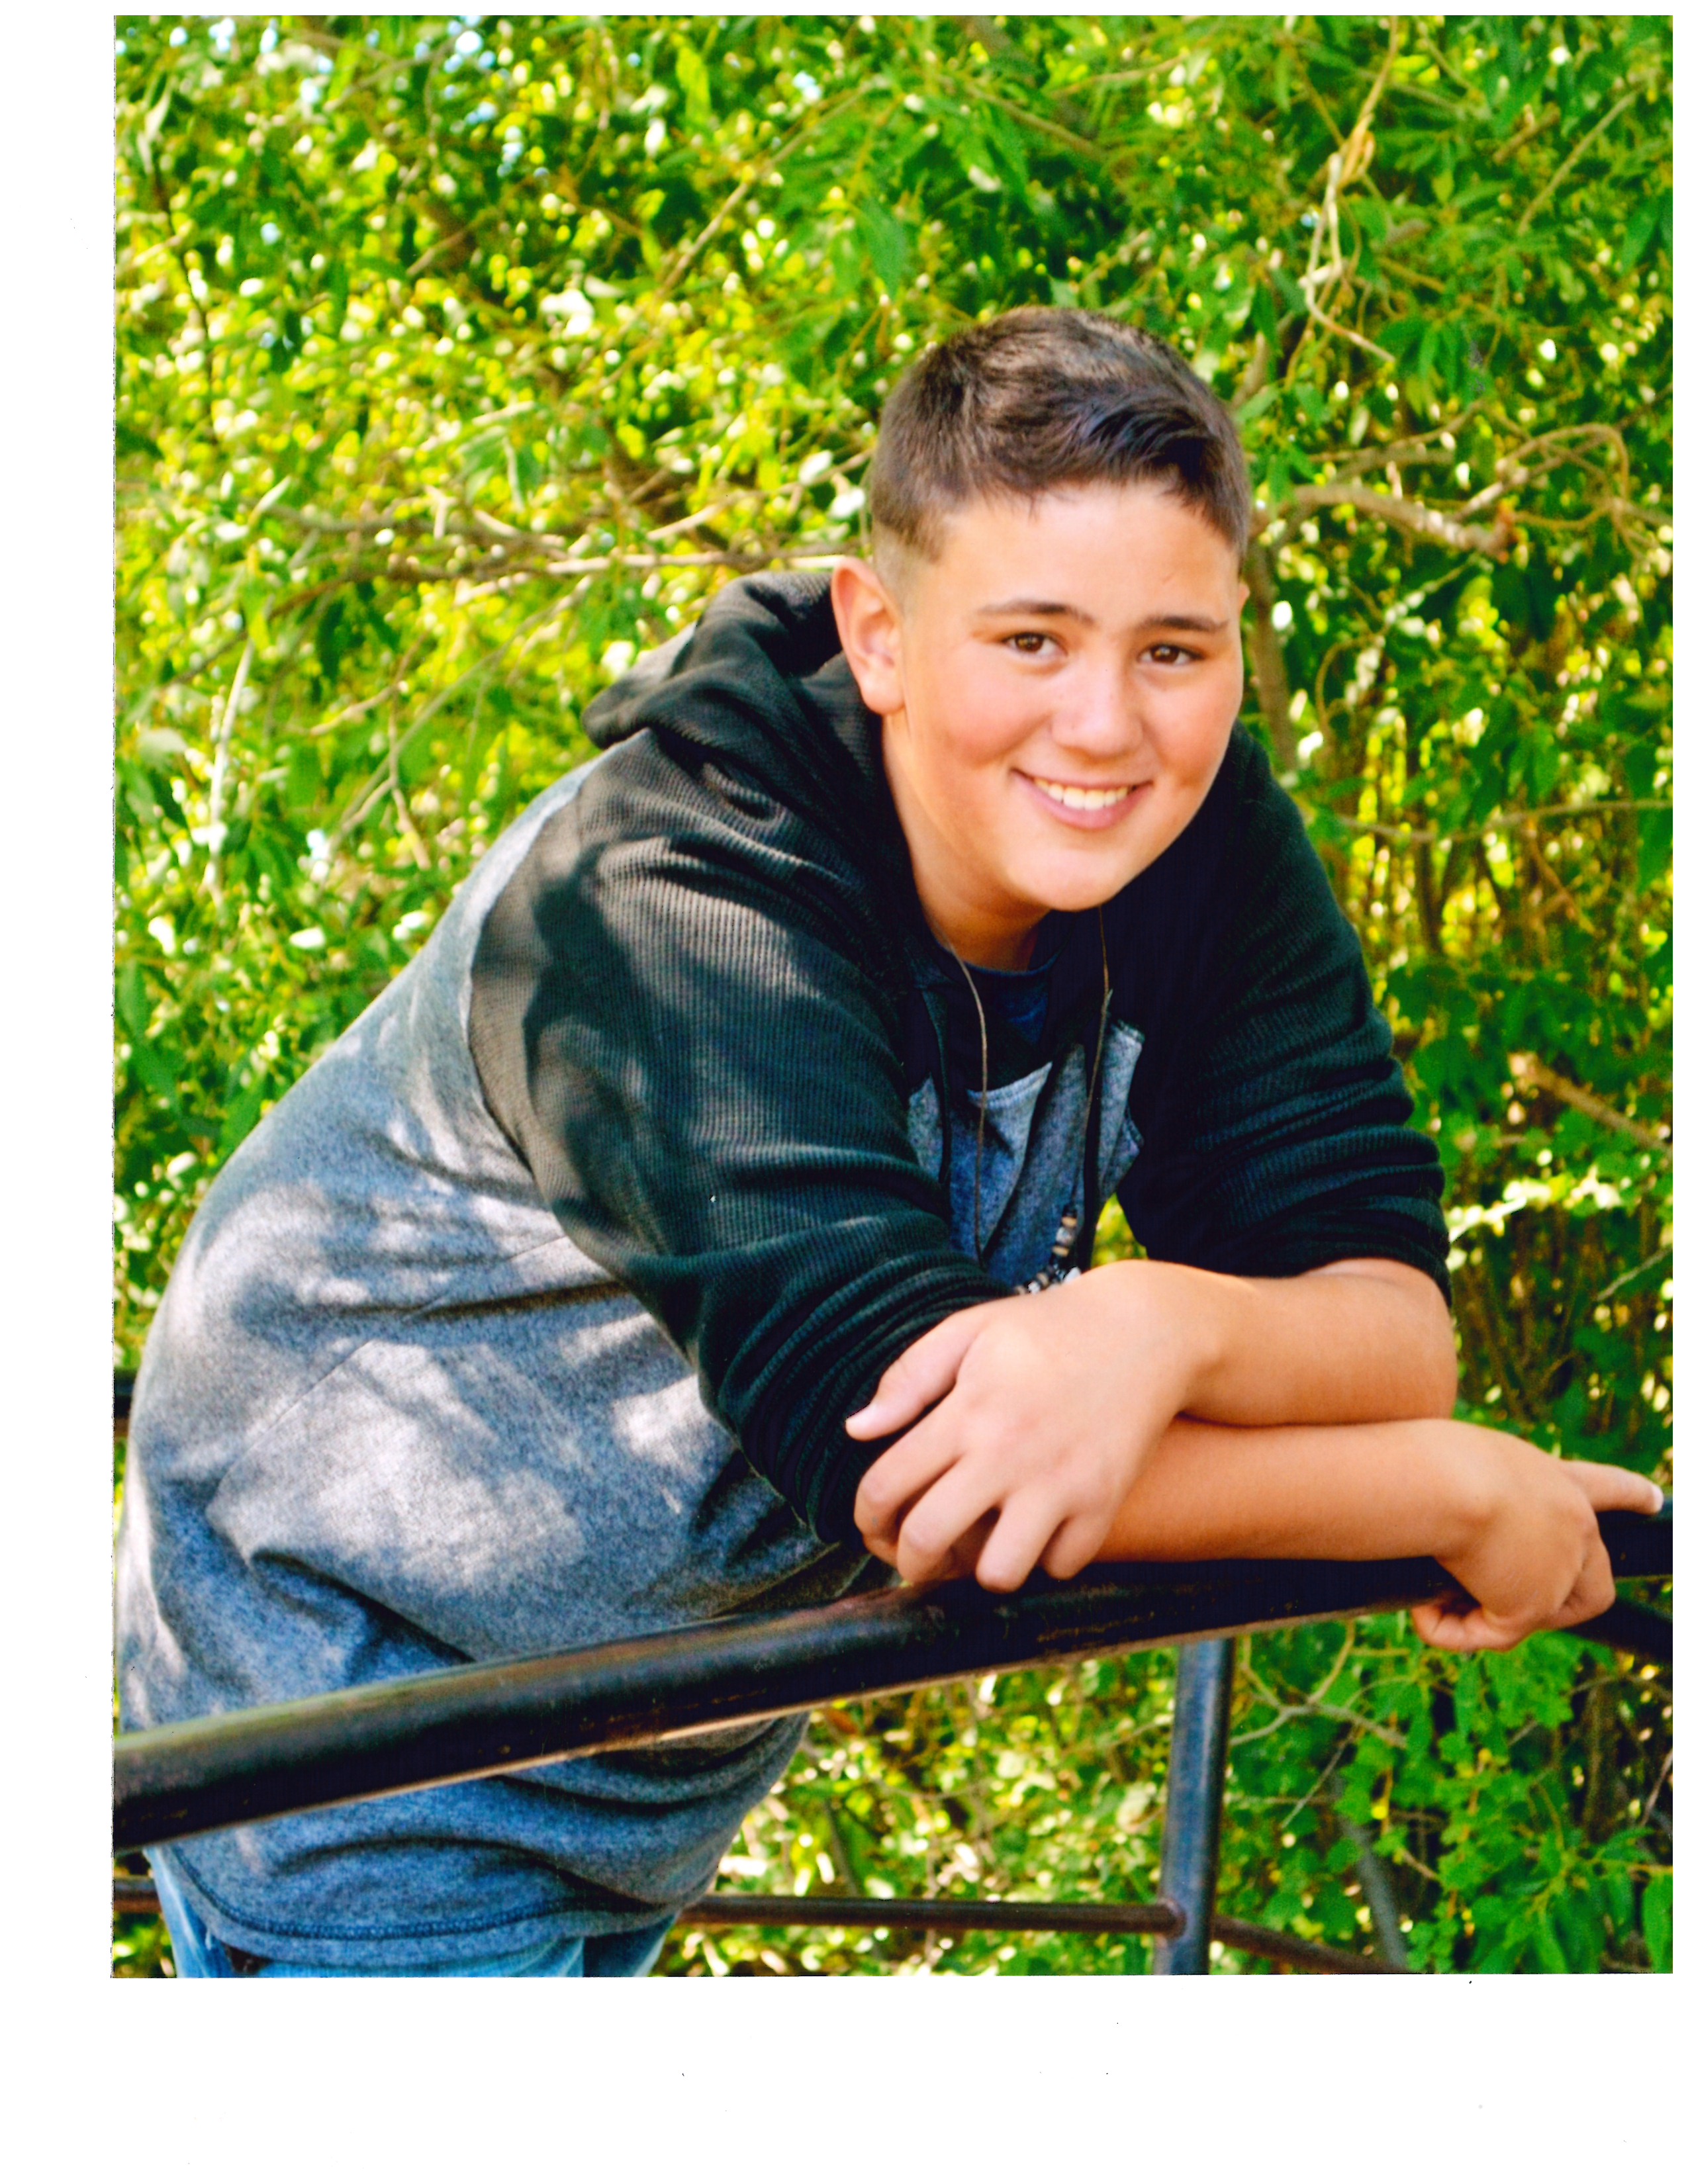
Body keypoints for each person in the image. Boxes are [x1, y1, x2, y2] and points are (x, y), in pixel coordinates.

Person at [117, 308, 1660, 1978]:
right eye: (1031, 640)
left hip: (650, 1744)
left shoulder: (1196, 837)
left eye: (1174, 650)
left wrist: (1159, 1322)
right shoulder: (664, 897)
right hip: (354, 1736)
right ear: (881, 634)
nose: (1106, 726)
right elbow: (927, 1469)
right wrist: (1449, 1490)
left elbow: (1389, 1326)